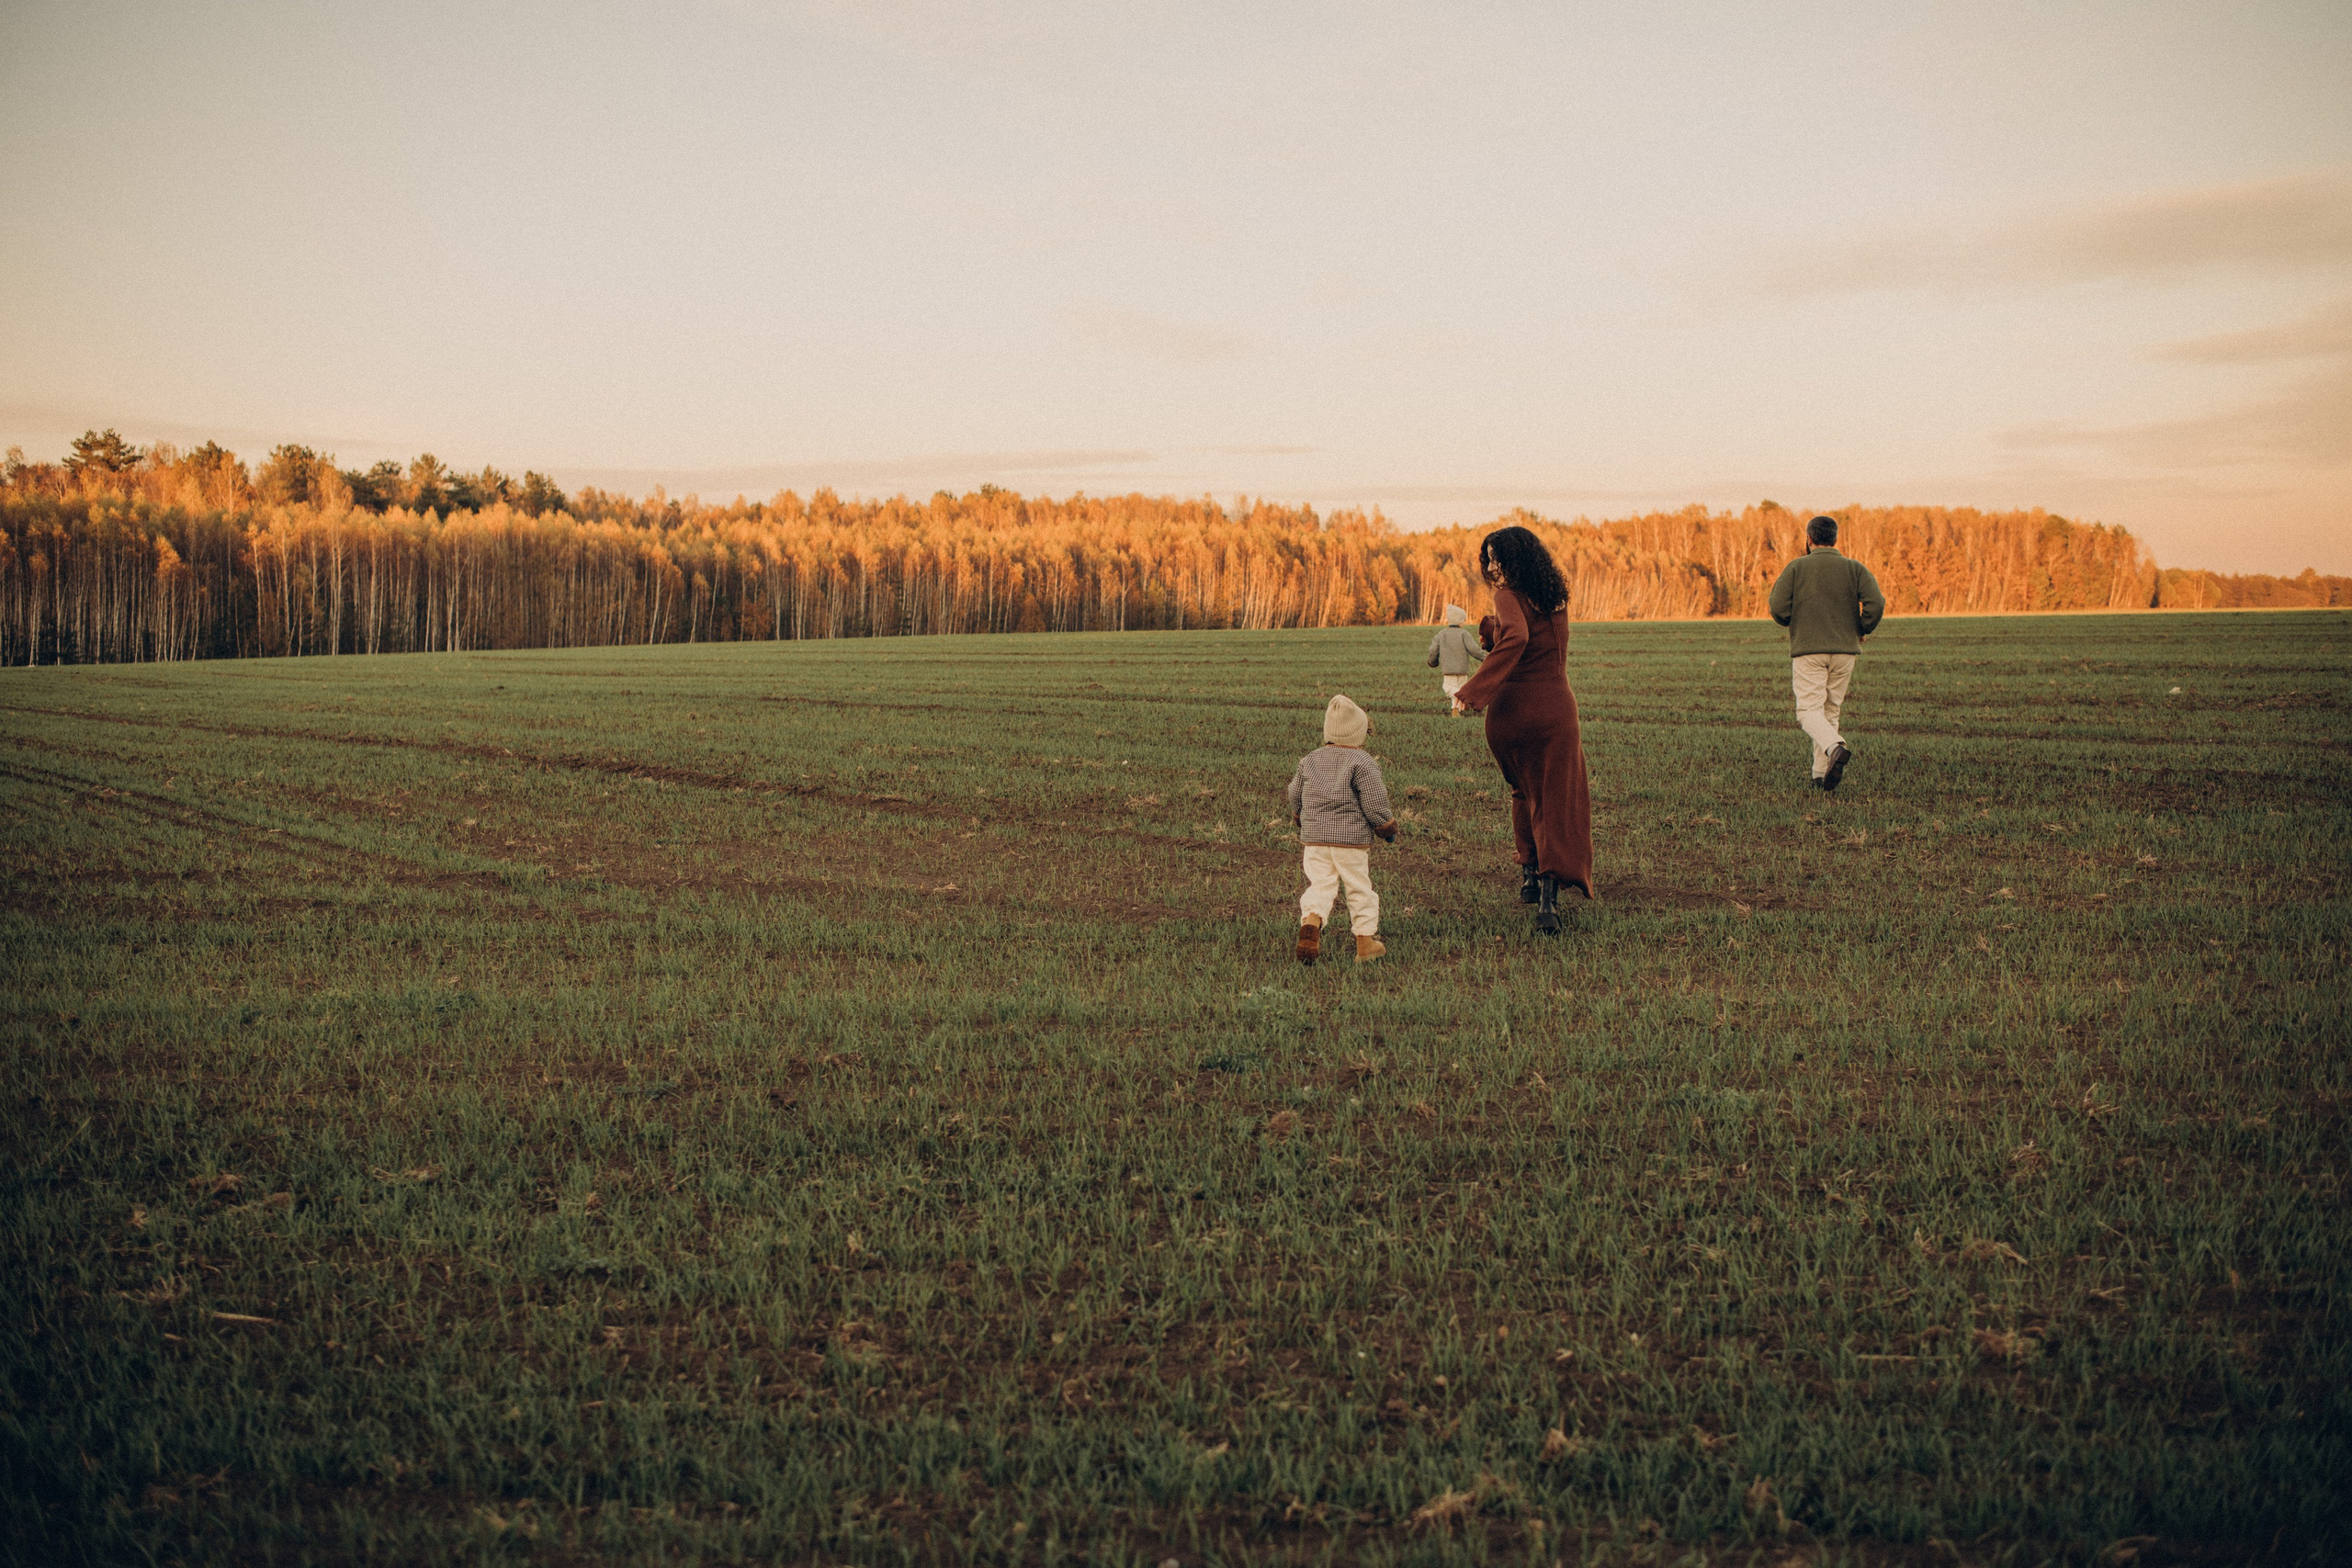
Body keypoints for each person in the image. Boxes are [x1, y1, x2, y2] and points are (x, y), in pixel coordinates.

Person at [1451, 525, 1595, 934]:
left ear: (1513, 560)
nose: (1492, 566)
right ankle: (1548, 901)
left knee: (1523, 791)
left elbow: (1516, 634)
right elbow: (1531, 637)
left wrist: (1474, 689)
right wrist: (1490, 628)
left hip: (1512, 714)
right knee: (1555, 800)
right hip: (1556, 711)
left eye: (1496, 558)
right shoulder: (1556, 598)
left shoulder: (1507, 596)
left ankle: (1530, 877)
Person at [1766, 515, 1885, 792]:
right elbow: (1876, 603)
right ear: (1835, 538)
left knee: (1808, 711)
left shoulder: (1796, 567)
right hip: (1845, 652)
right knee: (1829, 710)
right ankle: (1820, 775)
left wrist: (1790, 621)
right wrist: (1862, 626)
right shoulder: (1854, 568)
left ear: (1809, 539)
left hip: (1809, 649)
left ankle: (1835, 747)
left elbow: (1777, 606)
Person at [1286, 694, 1397, 965]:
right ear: (1359, 733)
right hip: (1350, 841)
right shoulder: (1363, 762)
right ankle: (1365, 943)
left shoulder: (1310, 760)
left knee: (1320, 883)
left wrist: (1299, 817)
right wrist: (1386, 826)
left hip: (1315, 840)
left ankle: (1311, 921)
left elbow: (1294, 793)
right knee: (1359, 888)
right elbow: (1373, 800)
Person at [1426, 603, 1487, 714]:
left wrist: (1432, 662)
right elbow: (1474, 649)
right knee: (1461, 689)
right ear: (1458, 621)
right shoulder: (1464, 634)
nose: (1464, 622)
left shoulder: (1441, 634)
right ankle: (1456, 711)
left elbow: (1433, 650)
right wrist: (1484, 658)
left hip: (1449, 670)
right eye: (1463, 620)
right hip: (1463, 670)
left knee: (1448, 687)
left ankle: (1464, 698)